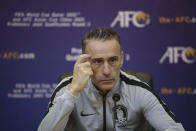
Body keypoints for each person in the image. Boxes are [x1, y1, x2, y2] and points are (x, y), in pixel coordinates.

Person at [38, 27, 185, 131]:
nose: (107, 71)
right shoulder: (67, 88)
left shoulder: (139, 90)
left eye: (113, 60)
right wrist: (73, 91)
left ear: (121, 59)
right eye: (97, 61)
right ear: (85, 62)